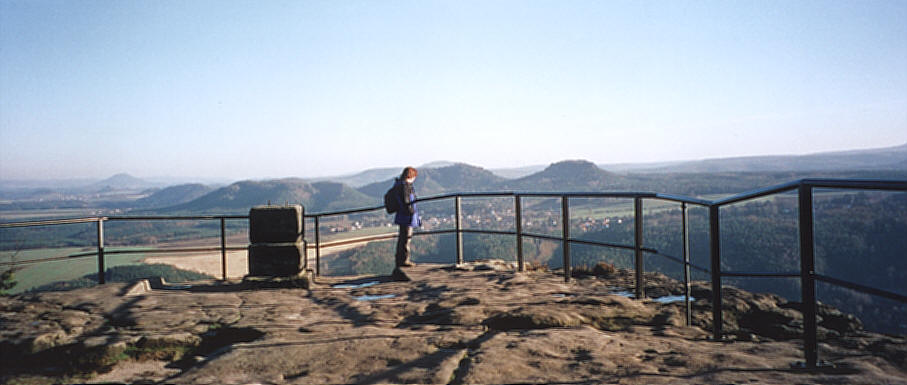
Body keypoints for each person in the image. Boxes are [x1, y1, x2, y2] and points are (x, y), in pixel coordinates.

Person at [394, 166, 421, 267]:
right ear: (411, 176)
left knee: (403, 239)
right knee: (406, 239)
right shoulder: (405, 186)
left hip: (402, 216)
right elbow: (407, 202)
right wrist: (411, 212)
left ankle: (400, 260)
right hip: (407, 217)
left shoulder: (399, 185)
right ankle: (404, 261)